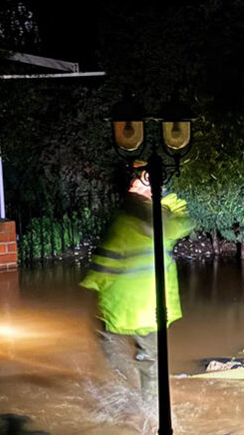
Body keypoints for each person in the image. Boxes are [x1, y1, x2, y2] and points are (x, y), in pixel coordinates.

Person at [80, 165, 193, 387]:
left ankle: (126, 387)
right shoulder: (167, 222)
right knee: (151, 360)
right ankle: (149, 405)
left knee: (107, 341)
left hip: (121, 307)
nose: (133, 186)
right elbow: (183, 220)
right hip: (155, 308)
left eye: (138, 182)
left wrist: (92, 285)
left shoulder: (124, 225)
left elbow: (104, 267)